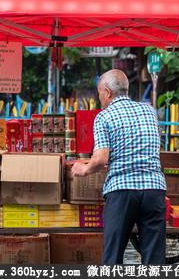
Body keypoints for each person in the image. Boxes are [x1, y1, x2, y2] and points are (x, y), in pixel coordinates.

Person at [72, 69, 167, 264]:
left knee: (113, 256)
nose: (99, 98)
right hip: (154, 189)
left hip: (122, 192)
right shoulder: (149, 110)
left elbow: (100, 159)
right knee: (154, 258)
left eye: (99, 93)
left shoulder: (104, 117)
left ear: (107, 92)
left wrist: (83, 169)